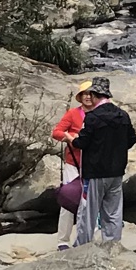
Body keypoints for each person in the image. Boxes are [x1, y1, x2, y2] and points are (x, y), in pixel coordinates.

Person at [71, 77, 136, 246]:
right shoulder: (123, 115)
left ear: (94, 95)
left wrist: (72, 140)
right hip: (116, 172)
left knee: (88, 212)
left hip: (95, 173)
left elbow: (82, 142)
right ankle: (112, 246)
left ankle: (82, 247)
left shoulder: (92, 117)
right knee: (113, 212)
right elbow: (132, 139)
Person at [50, 79, 95, 248]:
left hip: (93, 165)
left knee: (91, 202)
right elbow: (56, 133)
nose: (88, 97)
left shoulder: (100, 113)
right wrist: (70, 137)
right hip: (73, 164)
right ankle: (63, 241)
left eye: (91, 94)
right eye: (85, 94)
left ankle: (85, 238)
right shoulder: (72, 114)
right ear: (80, 96)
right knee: (69, 201)